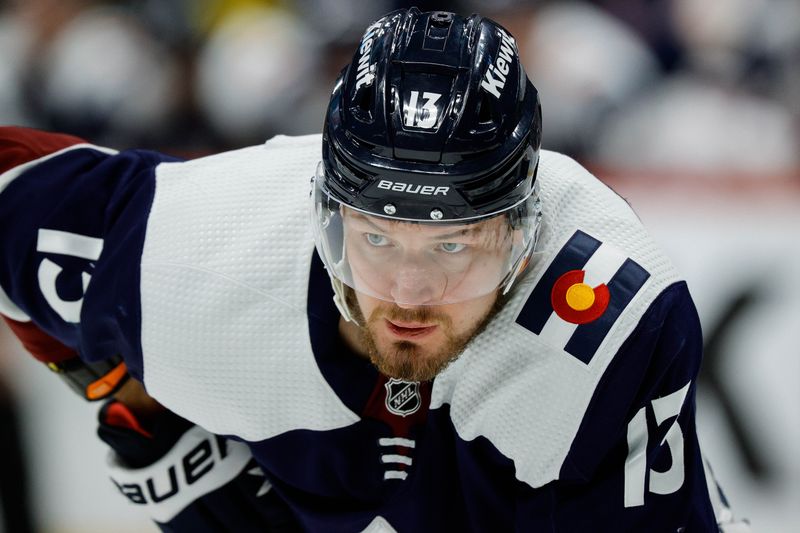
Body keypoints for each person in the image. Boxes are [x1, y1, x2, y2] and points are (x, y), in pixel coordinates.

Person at [0, 8, 748, 532]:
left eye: (454, 244)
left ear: (525, 229)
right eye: (379, 238)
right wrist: (110, 379)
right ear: (326, 212)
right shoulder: (204, 249)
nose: (411, 293)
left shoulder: (603, 318)